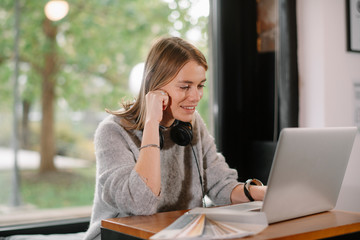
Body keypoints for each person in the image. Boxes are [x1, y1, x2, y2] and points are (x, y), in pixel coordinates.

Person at [83, 36, 266, 240]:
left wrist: (268, 193)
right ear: (155, 86)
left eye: (200, 86)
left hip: (178, 235)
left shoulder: (192, 125)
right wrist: (152, 123)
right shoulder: (112, 132)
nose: (196, 96)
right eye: (185, 87)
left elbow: (221, 185)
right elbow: (140, 204)